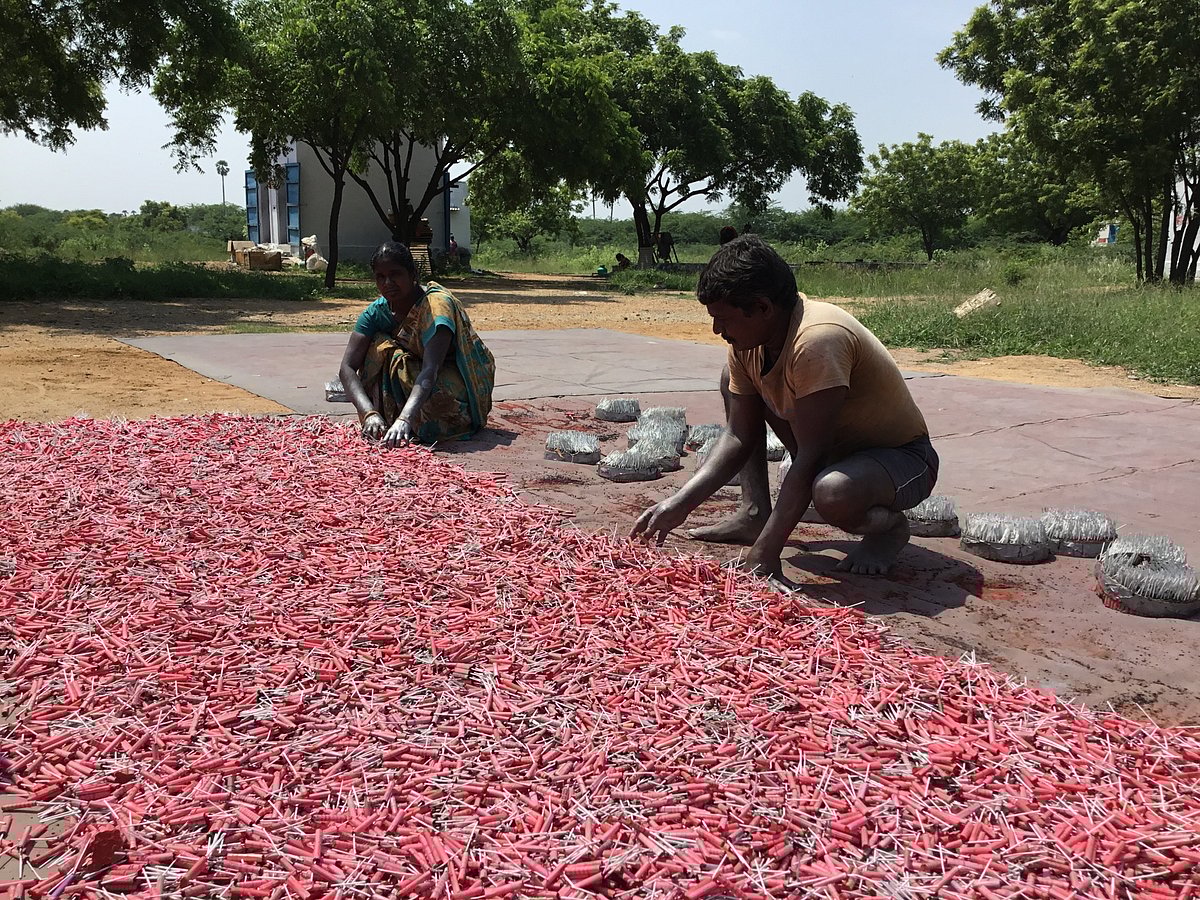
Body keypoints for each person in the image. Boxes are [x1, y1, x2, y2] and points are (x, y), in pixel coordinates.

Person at [632, 235, 938, 578]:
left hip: (902, 461)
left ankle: (888, 528)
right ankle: (753, 513)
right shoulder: (750, 341)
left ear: (763, 307)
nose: (717, 330)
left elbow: (813, 455)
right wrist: (680, 504)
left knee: (832, 491)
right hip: (832, 457)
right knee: (731, 381)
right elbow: (738, 435)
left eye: (724, 319)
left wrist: (766, 551)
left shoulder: (817, 340)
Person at [339, 241, 495, 447]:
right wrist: (368, 412)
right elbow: (346, 367)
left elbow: (431, 368)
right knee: (380, 347)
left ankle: (406, 421)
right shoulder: (377, 311)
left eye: (395, 274)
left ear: (413, 275)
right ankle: (384, 419)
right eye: (380, 277)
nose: (387, 283)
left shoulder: (436, 306)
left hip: (449, 384)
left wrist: (405, 420)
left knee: (396, 358)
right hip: (416, 381)